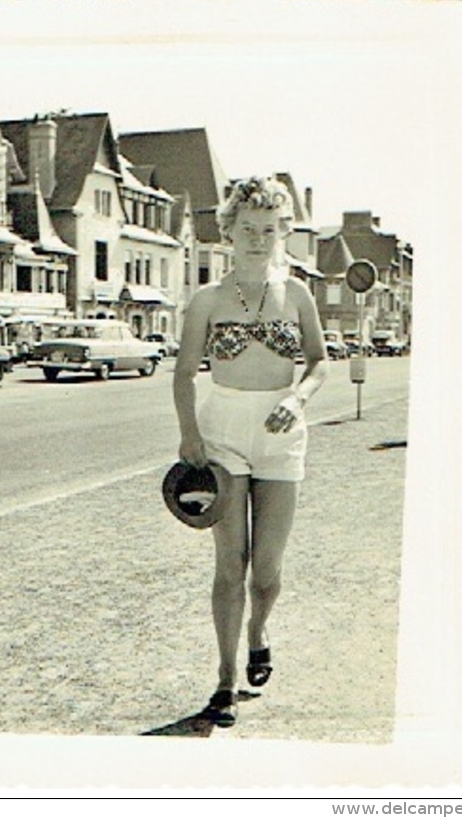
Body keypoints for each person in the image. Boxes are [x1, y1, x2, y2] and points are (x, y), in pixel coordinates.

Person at [173, 176, 329, 727]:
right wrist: (189, 433)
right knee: (229, 567)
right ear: (229, 233)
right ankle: (223, 679)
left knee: (266, 571)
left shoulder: (298, 294)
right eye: (247, 230)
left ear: (282, 232)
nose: (258, 240)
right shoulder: (207, 300)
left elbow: (318, 362)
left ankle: (259, 632)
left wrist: (299, 398)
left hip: (281, 435)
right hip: (223, 435)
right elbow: (185, 373)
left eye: (268, 230)